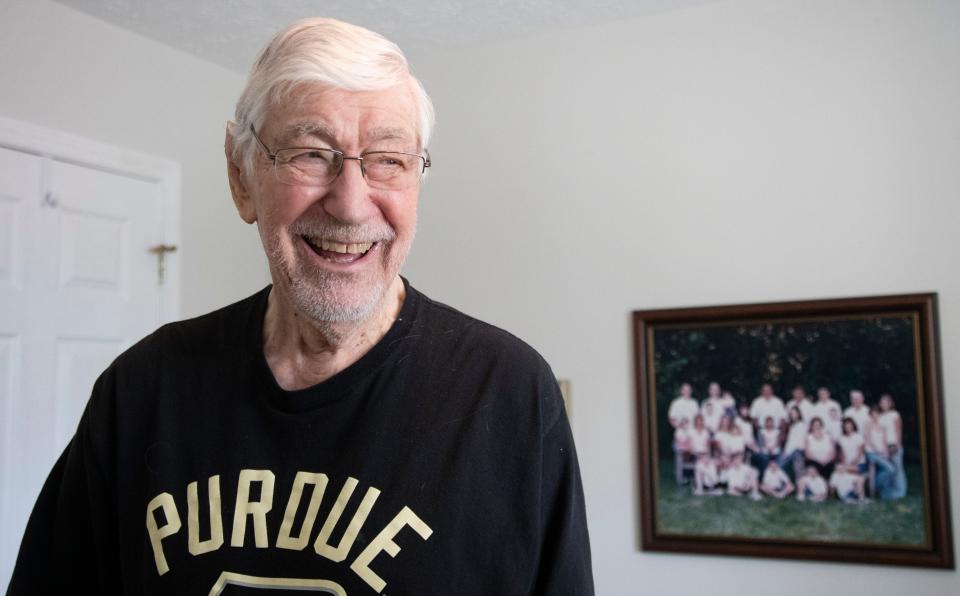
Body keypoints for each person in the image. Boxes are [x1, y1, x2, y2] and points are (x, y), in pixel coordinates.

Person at [9, 18, 593, 594]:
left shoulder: (509, 393)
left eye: (388, 159)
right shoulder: (144, 388)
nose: (350, 204)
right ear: (241, 177)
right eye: (312, 154)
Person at [878, 393, 907, 499]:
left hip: (894, 445)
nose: (883, 404)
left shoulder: (895, 414)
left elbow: (899, 431)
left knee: (898, 469)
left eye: (886, 402)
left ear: (890, 404)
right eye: (882, 402)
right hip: (884, 447)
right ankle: (890, 491)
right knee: (889, 470)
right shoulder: (879, 416)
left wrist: (898, 445)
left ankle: (901, 492)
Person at [778, 406, 807, 477]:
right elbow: (790, 441)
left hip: (797, 451)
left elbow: (796, 442)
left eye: (794, 413)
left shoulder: (801, 425)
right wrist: (786, 451)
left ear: (798, 414)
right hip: (791, 451)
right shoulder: (792, 426)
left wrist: (787, 453)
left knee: (799, 472)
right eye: (791, 414)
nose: (792, 415)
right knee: (780, 465)